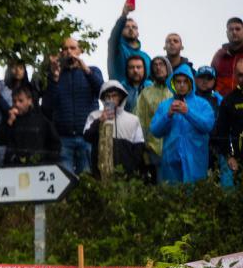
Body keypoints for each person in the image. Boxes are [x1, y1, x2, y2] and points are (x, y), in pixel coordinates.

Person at [42, 37, 104, 175]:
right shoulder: (54, 75)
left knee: (87, 181)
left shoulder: (92, 71)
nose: (69, 52)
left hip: (87, 137)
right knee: (65, 183)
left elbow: (103, 93)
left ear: (80, 51)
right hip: (63, 138)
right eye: (65, 49)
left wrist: (86, 70)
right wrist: (54, 79)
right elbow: (46, 107)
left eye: (72, 48)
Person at [149, 63, 216, 184]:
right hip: (171, 164)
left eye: (185, 82)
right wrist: (168, 115)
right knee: (173, 200)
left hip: (196, 163)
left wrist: (188, 112)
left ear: (191, 83)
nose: (181, 85)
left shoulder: (203, 104)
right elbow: (155, 131)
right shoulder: (165, 105)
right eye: (178, 81)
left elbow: (208, 125)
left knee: (196, 199)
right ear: (173, 83)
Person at [82, 81, 144, 180]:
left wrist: (131, 167)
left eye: (114, 96)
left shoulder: (133, 119)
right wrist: (99, 121)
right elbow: (87, 136)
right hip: (100, 173)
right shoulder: (94, 115)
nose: (111, 99)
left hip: (126, 175)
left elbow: (139, 147)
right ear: (103, 98)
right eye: (108, 96)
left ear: (120, 97)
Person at [0, 85, 61, 165]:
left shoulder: (40, 120)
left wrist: (46, 161)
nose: (17, 104)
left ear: (29, 101)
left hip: (36, 166)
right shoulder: (9, 119)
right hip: (13, 166)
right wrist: (9, 123)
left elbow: (55, 143)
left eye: (21, 101)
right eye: (14, 101)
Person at [134, 55, 173, 183]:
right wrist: (144, 147)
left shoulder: (176, 91)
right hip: (153, 149)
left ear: (168, 67)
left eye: (161, 64)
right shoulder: (146, 93)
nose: (158, 67)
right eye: (155, 65)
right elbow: (139, 120)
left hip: (174, 147)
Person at [211, 60, 243, 187]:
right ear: (235, 76)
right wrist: (229, 156)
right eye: (240, 75)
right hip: (238, 160)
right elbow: (222, 132)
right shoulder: (228, 101)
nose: (242, 78)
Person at [107, 0, 150, 84]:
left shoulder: (146, 57)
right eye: (126, 27)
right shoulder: (117, 50)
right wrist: (124, 15)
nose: (131, 29)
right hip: (119, 94)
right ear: (121, 31)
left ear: (138, 32)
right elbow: (113, 38)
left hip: (142, 95)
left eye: (134, 27)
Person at [210, 17, 243, 96]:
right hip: (222, 103)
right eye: (231, 29)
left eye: (237, 29)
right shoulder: (219, 55)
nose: (234, 32)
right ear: (227, 33)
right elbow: (210, 79)